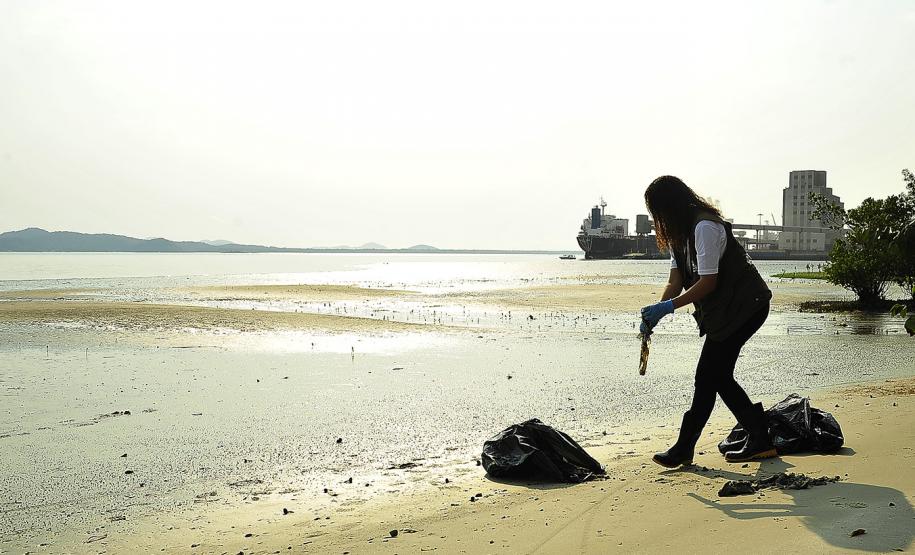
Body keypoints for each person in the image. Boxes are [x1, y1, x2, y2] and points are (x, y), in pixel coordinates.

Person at [640, 175, 776, 466]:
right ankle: (756, 437)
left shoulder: (704, 227)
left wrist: (668, 307)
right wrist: (658, 309)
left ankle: (686, 448)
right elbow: (675, 281)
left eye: (657, 211)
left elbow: (708, 282)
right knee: (716, 377)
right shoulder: (679, 236)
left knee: (709, 377)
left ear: (669, 206)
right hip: (725, 313)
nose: (656, 219)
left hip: (747, 308)